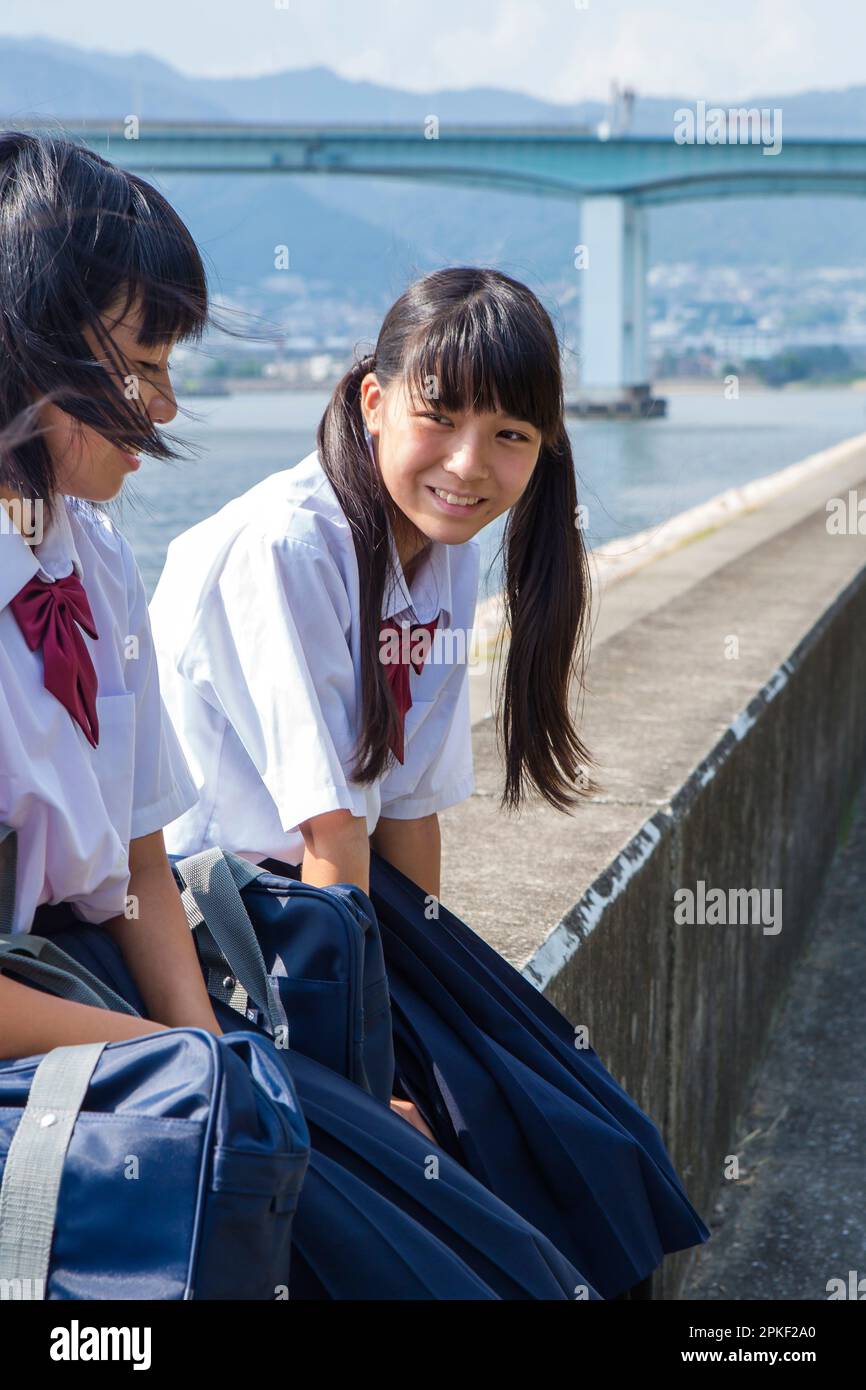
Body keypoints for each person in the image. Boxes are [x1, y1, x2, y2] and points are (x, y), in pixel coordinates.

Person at [0, 132, 596, 1301]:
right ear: (24, 347)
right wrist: (195, 1062)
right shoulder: (280, 543)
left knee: (485, 1228)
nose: (167, 403)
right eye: (142, 363)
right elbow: (321, 839)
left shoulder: (93, 557)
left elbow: (139, 866)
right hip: (59, 1037)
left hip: (113, 995)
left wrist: (217, 1060)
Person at [149, 265, 712, 1299]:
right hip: (232, 930)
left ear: (543, 445)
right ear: (373, 400)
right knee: (466, 1193)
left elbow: (404, 812)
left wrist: (443, 1005)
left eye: (509, 434)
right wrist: (366, 1089)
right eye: (439, 417)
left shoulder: (439, 547)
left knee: (594, 1138)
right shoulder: (288, 545)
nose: (467, 466)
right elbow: (330, 835)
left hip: (337, 914)